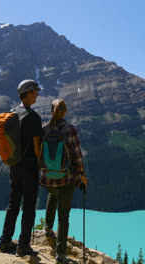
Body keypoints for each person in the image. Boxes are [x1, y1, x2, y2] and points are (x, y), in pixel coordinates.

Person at [40, 98, 88, 264]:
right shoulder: (70, 130)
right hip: (66, 178)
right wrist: (81, 176)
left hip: (48, 177)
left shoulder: (44, 129)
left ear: (51, 111)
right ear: (65, 112)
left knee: (52, 195)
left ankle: (47, 229)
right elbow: (77, 156)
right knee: (64, 216)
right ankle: (60, 255)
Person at [0, 79, 42, 257]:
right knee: (29, 206)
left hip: (14, 166)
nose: (37, 94)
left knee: (13, 204)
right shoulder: (33, 117)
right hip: (29, 168)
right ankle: (24, 245)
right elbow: (37, 146)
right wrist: (41, 166)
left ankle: (5, 241)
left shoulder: (13, 113)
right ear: (29, 92)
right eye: (36, 91)